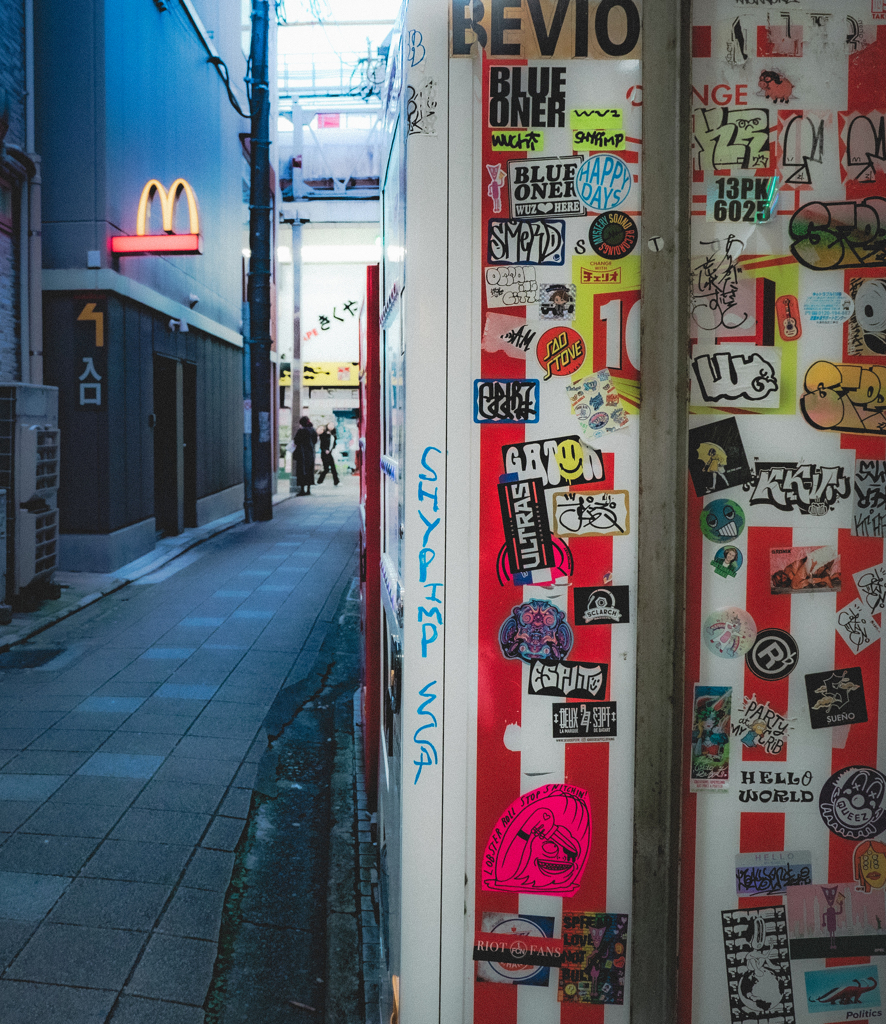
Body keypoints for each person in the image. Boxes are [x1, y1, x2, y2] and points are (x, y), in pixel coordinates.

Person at [291, 415, 317, 495]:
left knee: (301, 471)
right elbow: (315, 440)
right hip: (310, 453)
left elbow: (296, 441)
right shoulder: (313, 430)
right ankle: (308, 490)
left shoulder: (301, 431)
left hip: (302, 454)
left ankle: (302, 490)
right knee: (309, 471)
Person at [317, 420, 340, 485]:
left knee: (331, 468)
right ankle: (320, 481)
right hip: (325, 454)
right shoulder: (324, 434)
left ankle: (335, 481)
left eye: (332, 425)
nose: (331, 426)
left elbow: (334, 443)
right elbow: (322, 444)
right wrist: (325, 450)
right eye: (330, 425)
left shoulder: (333, 434)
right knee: (327, 468)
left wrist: (332, 449)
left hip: (330, 453)